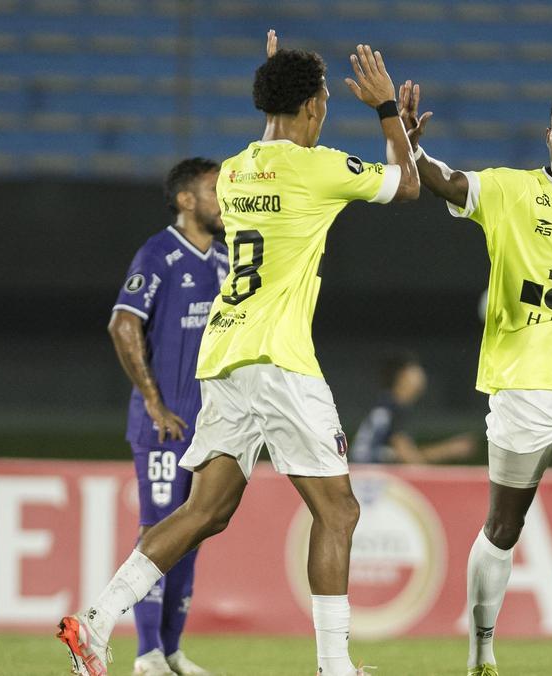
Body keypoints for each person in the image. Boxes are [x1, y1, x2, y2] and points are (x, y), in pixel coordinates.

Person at [57, 30, 419, 676]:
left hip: (223, 357)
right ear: (312, 107)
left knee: (205, 511)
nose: (330, 106)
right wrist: (390, 113)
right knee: (338, 509)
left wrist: (278, 82)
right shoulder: (319, 167)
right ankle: (335, 667)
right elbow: (409, 186)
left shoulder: (237, 170)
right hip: (280, 361)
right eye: (328, 97)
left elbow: (277, 147)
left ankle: (94, 621)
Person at [398, 80, 552, 676]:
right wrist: (407, 141)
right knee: (504, 526)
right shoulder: (513, 190)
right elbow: (446, 182)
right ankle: (481, 650)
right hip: (522, 387)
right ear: (548, 134)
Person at [107, 158, 227, 675]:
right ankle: (146, 654)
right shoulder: (159, 253)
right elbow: (122, 324)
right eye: (214, 190)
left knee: (191, 535)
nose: (224, 199)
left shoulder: (224, 259)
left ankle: (172, 651)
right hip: (164, 427)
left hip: (211, 428)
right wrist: (155, 403)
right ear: (185, 200)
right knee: (157, 531)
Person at [350, 351, 476, 464]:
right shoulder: (393, 408)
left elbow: (405, 455)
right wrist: (450, 450)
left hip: (364, 474)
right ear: (402, 376)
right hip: (369, 479)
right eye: (415, 371)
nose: (421, 376)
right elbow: (410, 458)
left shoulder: (387, 405)